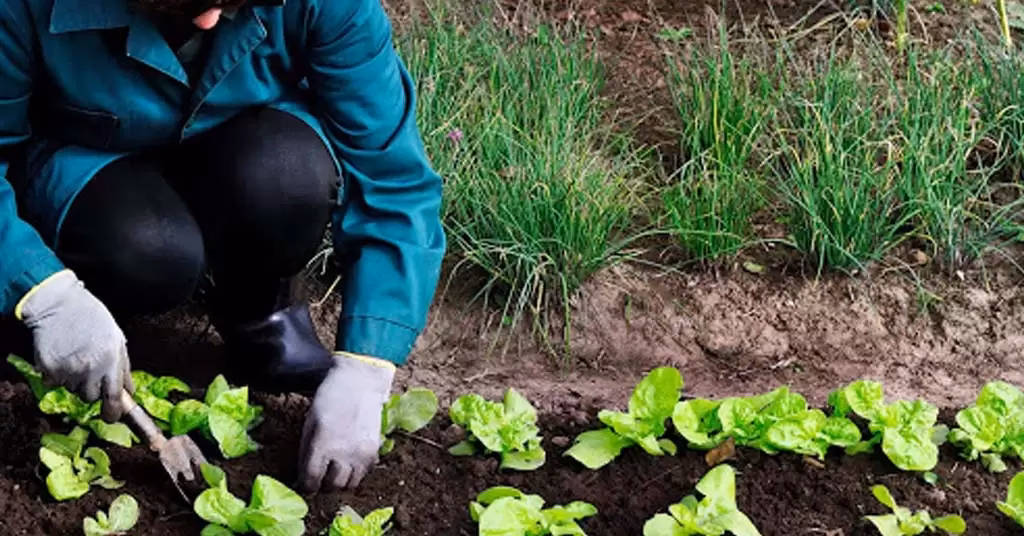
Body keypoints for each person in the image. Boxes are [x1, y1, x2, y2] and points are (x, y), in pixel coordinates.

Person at [0, 0, 446, 492]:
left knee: (287, 179)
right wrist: (38, 288)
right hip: (86, 159)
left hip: (237, 142)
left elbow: (392, 178)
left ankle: (258, 315)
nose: (211, 22)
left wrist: (370, 362)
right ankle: (65, 329)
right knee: (151, 252)